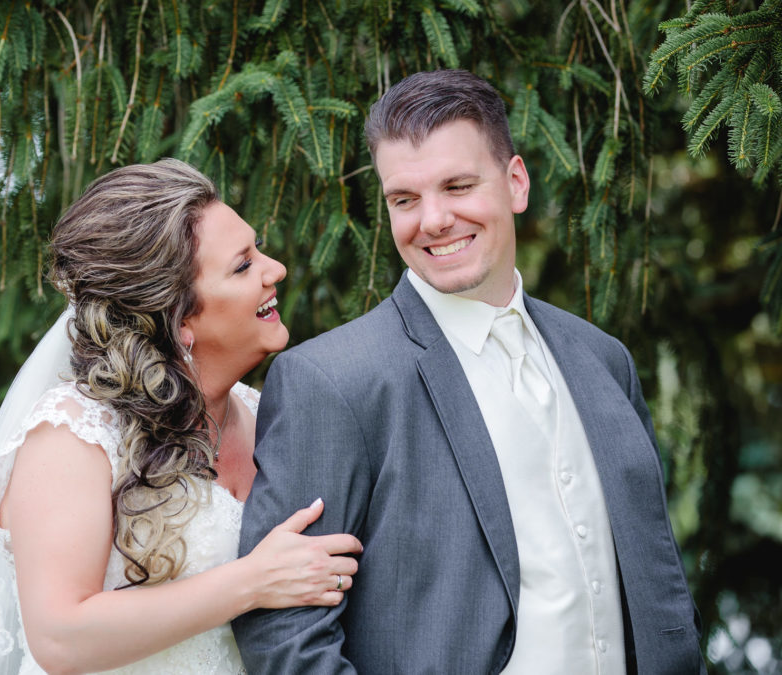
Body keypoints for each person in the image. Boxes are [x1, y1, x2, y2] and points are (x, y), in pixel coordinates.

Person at [233, 70, 704, 674]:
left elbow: (654, 574)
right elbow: (283, 630)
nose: (432, 220)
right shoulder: (332, 381)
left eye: (457, 186)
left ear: (515, 183)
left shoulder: (603, 357)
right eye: (404, 199)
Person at [0, 159, 362, 674]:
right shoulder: (75, 434)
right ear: (181, 319)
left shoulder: (262, 412)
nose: (276, 270)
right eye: (244, 265)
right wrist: (252, 582)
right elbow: (60, 636)